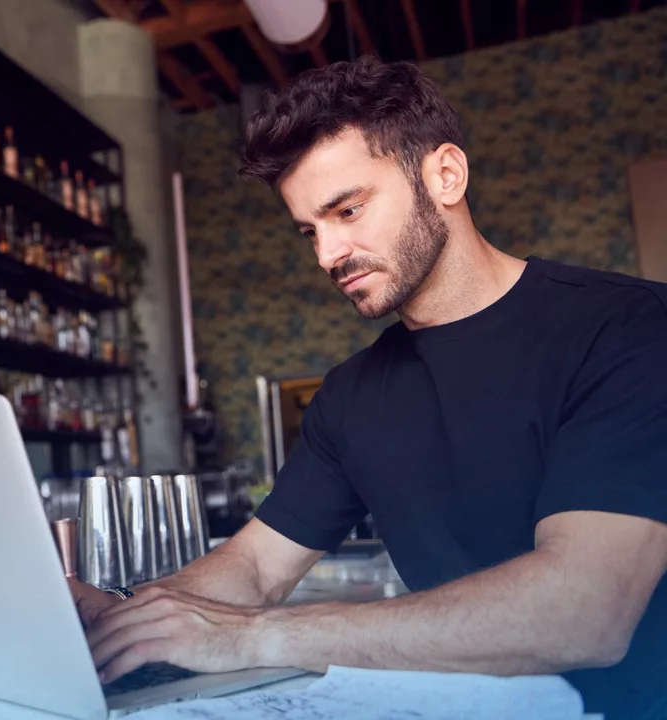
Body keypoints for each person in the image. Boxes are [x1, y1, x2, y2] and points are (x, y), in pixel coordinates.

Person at [73, 55, 667, 719]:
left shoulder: (630, 329)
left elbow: (585, 612)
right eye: (310, 230)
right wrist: (126, 616)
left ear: (446, 174)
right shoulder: (350, 397)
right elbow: (256, 568)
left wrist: (254, 637)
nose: (327, 254)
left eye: (347, 210)